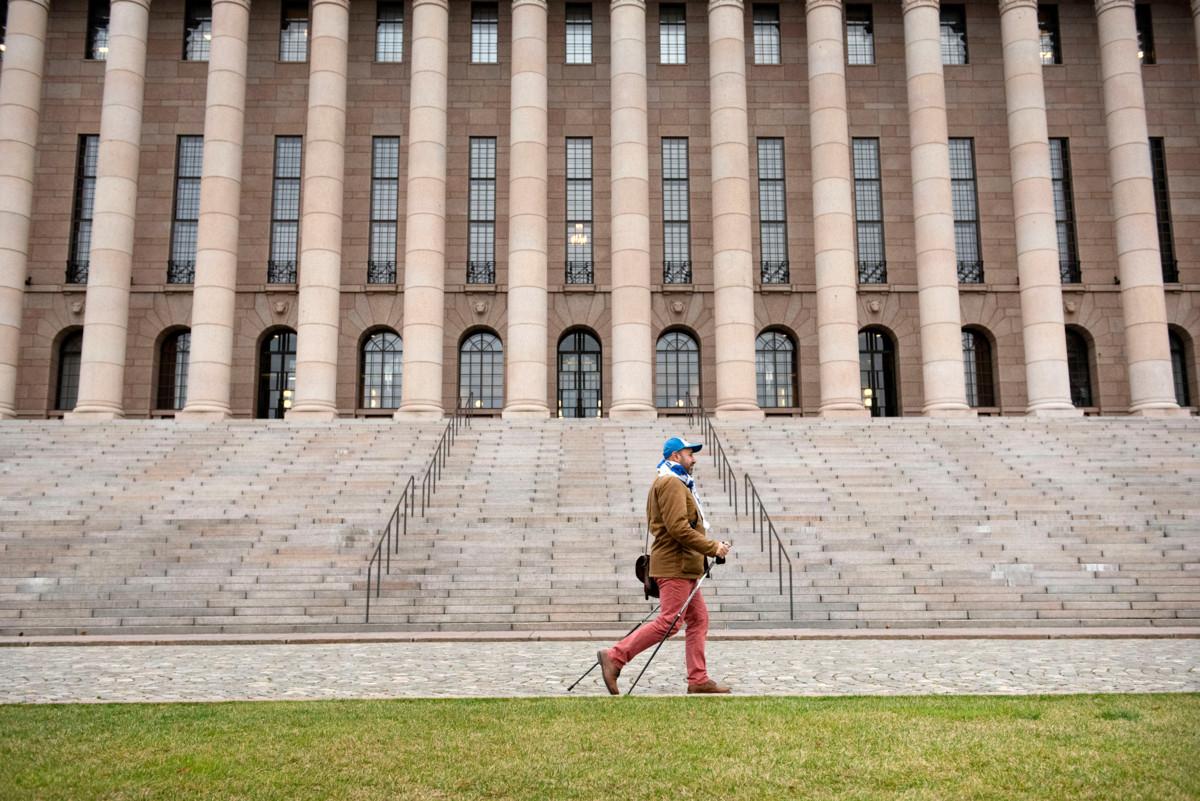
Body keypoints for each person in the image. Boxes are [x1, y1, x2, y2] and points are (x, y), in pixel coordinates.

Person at [597, 436, 732, 695]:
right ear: (674, 457)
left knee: (698, 619)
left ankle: (698, 679)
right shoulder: (671, 483)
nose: (693, 459)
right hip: (675, 565)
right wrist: (711, 546)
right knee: (669, 622)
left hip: (685, 565)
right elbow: (678, 528)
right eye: (689, 454)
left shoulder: (678, 482)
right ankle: (615, 656)